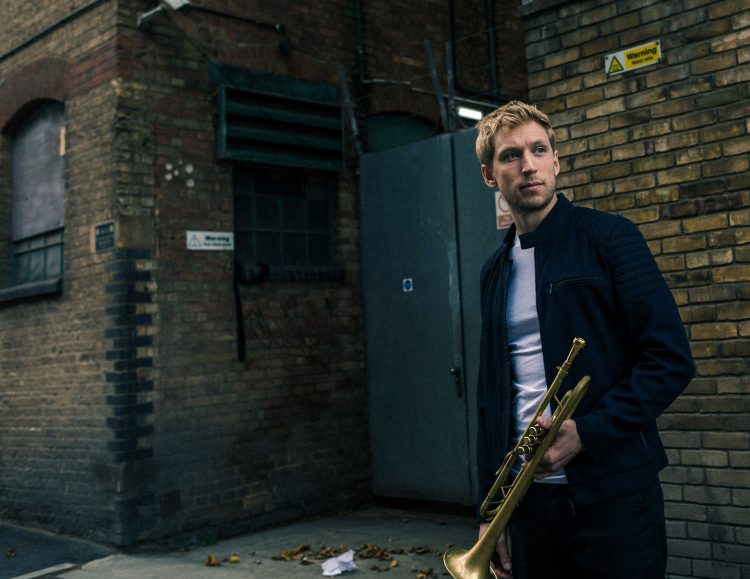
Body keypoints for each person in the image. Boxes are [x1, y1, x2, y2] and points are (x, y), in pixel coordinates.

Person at [473, 101, 695, 579]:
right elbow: (491, 398)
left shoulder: (610, 238)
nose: (528, 165)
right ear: (490, 175)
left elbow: (670, 359)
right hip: (527, 504)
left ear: (556, 161)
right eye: (511, 155)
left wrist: (588, 433)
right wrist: (489, 513)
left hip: (614, 497)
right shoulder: (494, 272)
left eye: (538, 150)